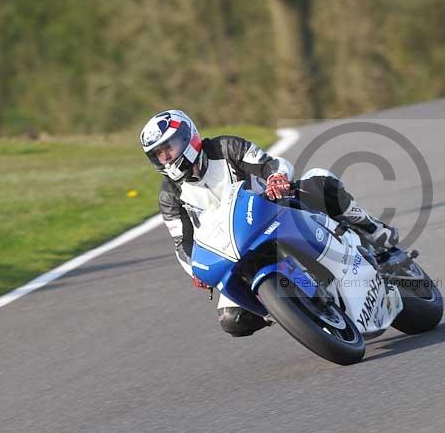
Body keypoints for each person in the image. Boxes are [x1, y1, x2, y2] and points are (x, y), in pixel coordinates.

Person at [140, 109, 399, 337]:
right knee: (232, 319)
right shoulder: (170, 195)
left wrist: (276, 178)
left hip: (274, 212)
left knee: (320, 185)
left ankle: (374, 231)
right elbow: (183, 244)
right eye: (158, 154)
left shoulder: (224, 147)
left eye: (169, 147)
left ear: (189, 137)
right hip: (235, 252)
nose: (166, 157)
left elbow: (269, 164)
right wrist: (196, 272)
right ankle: (291, 311)